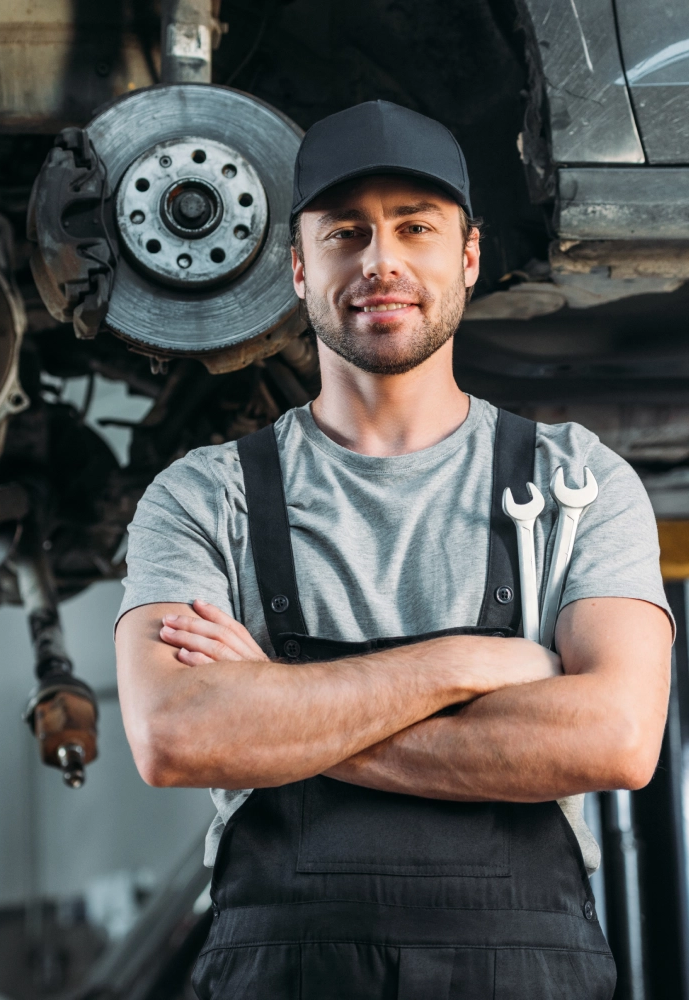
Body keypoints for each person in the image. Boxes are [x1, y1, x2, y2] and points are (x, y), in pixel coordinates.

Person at [113, 100, 673, 997]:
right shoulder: (202, 497)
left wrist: (275, 714)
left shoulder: (579, 480)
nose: (381, 261)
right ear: (298, 267)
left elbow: (615, 737)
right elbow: (177, 736)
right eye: (345, 233)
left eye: (415, 227)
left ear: (470, 256)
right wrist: (471, 662)